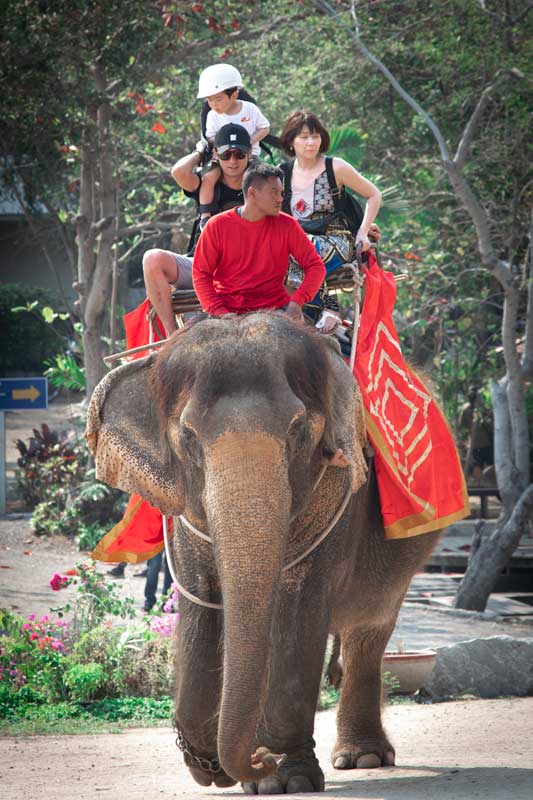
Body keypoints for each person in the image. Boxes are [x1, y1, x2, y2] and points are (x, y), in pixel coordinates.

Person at [143, 124, 253, 337]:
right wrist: (201, 150)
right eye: (225, 154)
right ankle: (172, 336)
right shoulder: (206, 182)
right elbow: (178, 172)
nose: (232, 160)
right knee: (152, 258)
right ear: (216, 154)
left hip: (243, 270)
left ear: (249, 153)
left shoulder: (260, 183)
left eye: (238, 154)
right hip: (202, 267)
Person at [279, 110, 382, 332]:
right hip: (297, 244)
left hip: (336, 239)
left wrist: (363, 231)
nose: (310, 142)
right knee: (281, 251)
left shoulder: (336, 167)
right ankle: (310, 310)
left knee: (305, 247)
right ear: (290, 141)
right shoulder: (282, 174)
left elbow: (374, 194)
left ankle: (330, 306)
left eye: (315, 136)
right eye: (304, 137)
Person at [196, 64, 270, 228]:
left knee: (263, 179)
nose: (214, 104)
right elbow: (210, 137)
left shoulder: (250, 110)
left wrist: (248, 142)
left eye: (219, 99)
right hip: (223, 157)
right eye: (210, 100)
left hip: (250, 156)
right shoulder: (212, 116)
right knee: (209, 178)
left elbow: (265, 128)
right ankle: (205, 216)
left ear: (234, 94)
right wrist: (226, 146)